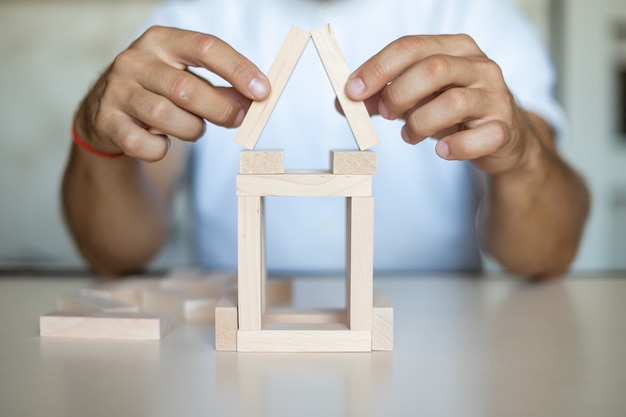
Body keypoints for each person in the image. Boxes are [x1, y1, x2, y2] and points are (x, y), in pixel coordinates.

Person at [61, 0, 589, 279]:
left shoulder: (475, 18)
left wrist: (522, 156)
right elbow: (115, 255)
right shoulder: (191, 19)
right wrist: (97, 136)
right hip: (231, 354)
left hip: (435, 352)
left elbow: (546, 255)